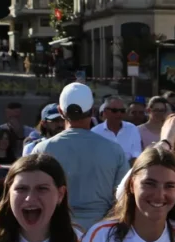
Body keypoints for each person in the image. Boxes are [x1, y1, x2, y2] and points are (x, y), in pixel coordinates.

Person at [33, 84, 129, 231]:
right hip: (101, 233)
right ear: (93, 110)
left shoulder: (42, 149)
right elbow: (123, 198)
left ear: (60, 111)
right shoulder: (114, 150)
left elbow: (34, 195)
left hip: (56, 230)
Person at [92, 97, 142, 161]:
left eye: (122, 111)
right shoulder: (95, 132)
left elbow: (136, 154)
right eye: (114, 111)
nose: (119, 114)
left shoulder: (132, 128)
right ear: (105, 112)